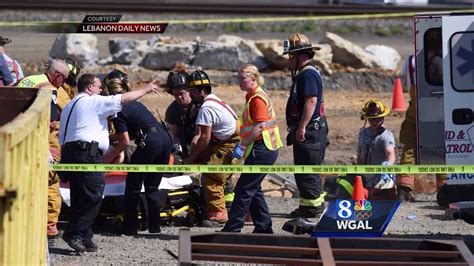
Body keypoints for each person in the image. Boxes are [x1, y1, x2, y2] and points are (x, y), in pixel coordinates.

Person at [58, 74, 159, 252]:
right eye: (98, 87)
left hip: (70, 153)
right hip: (87, 154)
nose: (101, 91)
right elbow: (122, 98)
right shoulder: (92, 101)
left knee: (79, 196)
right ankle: (74, 232)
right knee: (93, 195)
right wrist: (146, 89)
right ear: (89, 88)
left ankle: (84, 235)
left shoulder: (69, 106)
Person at [102, 70, 173, 235]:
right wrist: (114, 136)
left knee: (133, 186)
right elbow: (135, 130)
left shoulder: (117, 107)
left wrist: (107, 159)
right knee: (152, 186)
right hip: (164, 139)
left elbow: (125, 141)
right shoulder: (137, 104)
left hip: (150, 141)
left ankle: (130, 227)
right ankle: (155, 227)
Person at [16, 58, 76, 239]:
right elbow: (50, 122)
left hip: (17, 137)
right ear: (57, 75)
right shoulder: (49, 89)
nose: (63, 83)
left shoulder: (28, 80)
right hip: (42, 143)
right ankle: (48, 227)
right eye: (64, 79)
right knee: (50, 183)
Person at [222, 64, 283, 233]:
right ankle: (264, 227)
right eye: (238, 78)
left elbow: (259, 127)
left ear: (254, 79)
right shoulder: (252, 96)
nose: (239, 82)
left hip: (263, 148)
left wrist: (241, 145)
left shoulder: (257, 99)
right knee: (254, 189)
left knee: (244, 189)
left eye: (243, 78)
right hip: (262, 148)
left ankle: (233, 228)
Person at [183, 70, 239, 226]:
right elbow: (199, 135)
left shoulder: (206, 109)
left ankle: (218, 216)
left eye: (192, 91)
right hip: (230, 142)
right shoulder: (214, 101)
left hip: (227, 144)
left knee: (211, 177)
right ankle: (227, 206)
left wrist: (191, 158)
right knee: (221, 175)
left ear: (202, 91)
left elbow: (204, 138)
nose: (190, 94)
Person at [283, 33, 328, 218]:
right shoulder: (306, 73)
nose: (289, 61)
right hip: (310, 130)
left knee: (307, 171)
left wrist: (301, 127)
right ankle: (308, 206)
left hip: (310, 131)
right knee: (303, 171)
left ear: (300, 55)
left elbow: (310, 101)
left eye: (291, 57)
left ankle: (313, 209)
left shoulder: (307, 74)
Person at [357, 99, 397, 199]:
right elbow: (359, 155)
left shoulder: (386, 135)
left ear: (382, 118)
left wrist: (388, 166)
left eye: (377, 119)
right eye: (371, 119)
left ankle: (378, 193)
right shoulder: (363, 134)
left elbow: (390, 154)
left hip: (381, 176)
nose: (374, 122)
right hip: (366, 175)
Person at [163, 67, 196, 159]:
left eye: (182, 93)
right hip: (186, 146)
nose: (179, 97)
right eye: (176, 95)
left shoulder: (201, 106)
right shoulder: (172, 111)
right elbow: (175, 136)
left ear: (189, 91)